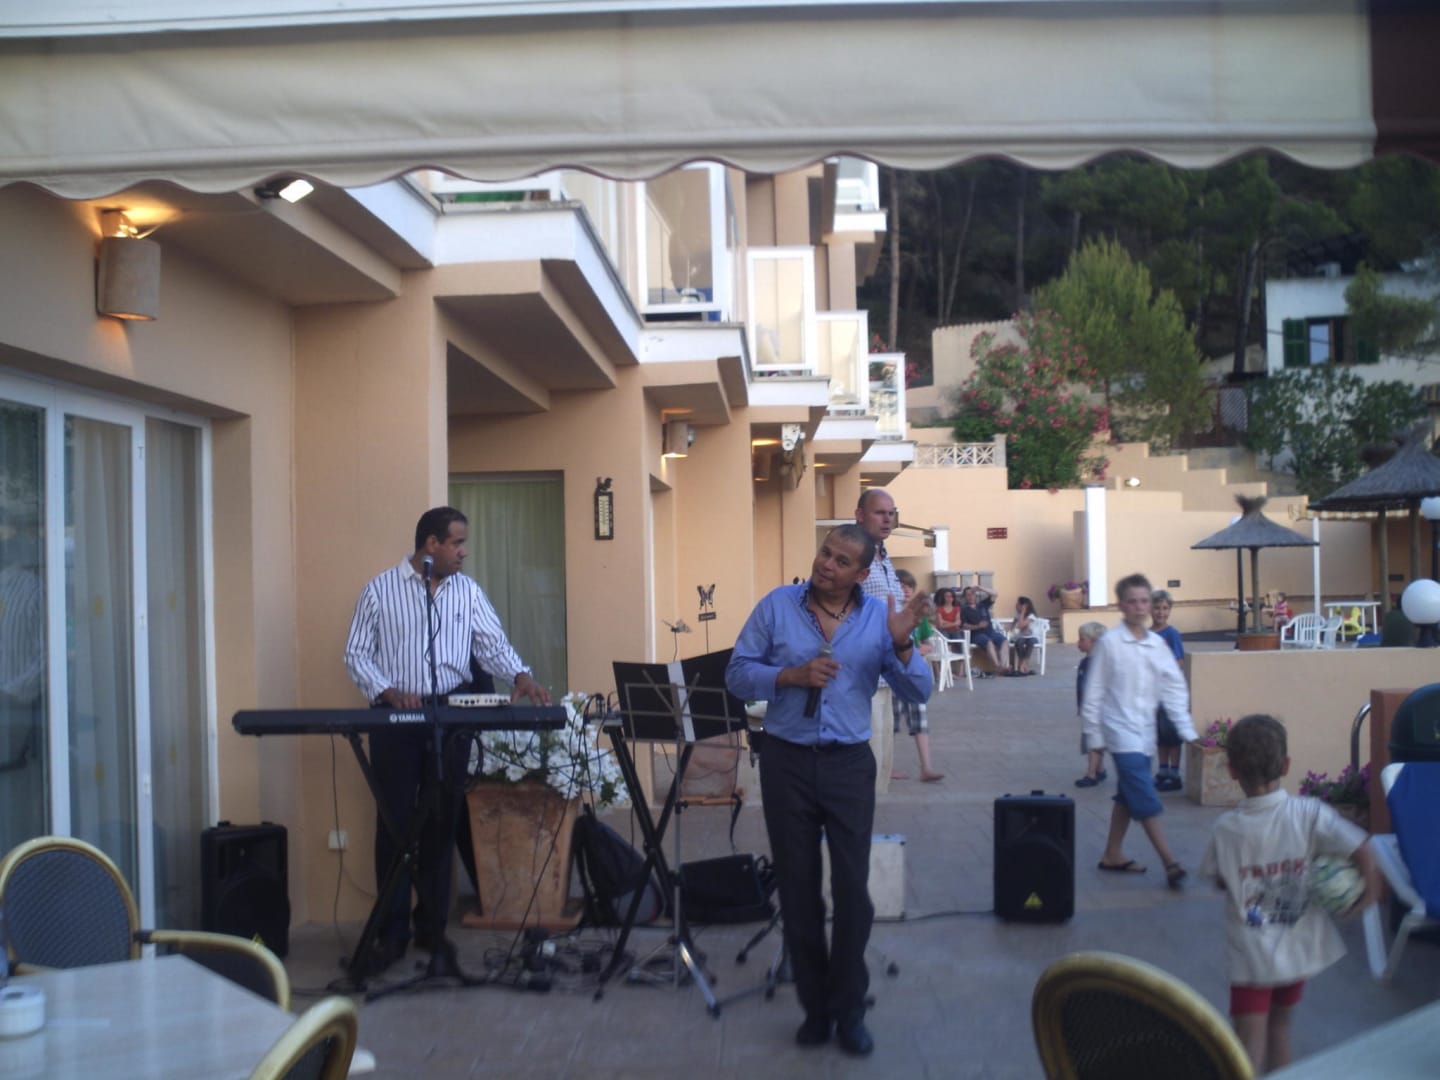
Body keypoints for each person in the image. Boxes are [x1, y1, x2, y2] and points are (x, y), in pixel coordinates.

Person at [726, 524, 933, 1058]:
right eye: (825, 553)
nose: (827, 565)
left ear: (861, 574)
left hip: (848, 766)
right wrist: (789, 677)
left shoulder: (879, 617)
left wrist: (902, 643)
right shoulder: (777, 605)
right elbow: (737, 674)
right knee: (797, 890)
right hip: (786, 762)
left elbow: (920, 691)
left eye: (842, 561)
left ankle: (849, 1008)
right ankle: (815, 1009)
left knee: (852, 891)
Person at [343, 506, 551, 977]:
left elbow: (492, 645)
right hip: (396, 718)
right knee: (395, 825)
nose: (463, 552)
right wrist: (387, 691)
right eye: (456, 543)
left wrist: (521, 676)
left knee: (441, 821)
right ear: (430, 545)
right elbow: (355, 654)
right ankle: (392, 931)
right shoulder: (379, 590)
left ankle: (432, 927)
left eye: (463, 543)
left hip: (451, 717)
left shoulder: (467, 592)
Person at [1199, 714, 1380, 1073]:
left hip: (1252, 959)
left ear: (1232, 770)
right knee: (1280, 1028)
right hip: (1296, 954)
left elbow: (1220, 880)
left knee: (1246, 1047)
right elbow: (1362, 848)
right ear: (1285, 765)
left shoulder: (1226, 829)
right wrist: (1370, 894)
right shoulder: (1309, 814)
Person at [1081, 573, 1196, 889]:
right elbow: (1093, 693)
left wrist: (1187, 730)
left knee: (1127, 794)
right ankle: (1170, 862)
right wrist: (1094, 737)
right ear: (1121, 605)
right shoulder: (1110, 644)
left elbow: (1174, 687)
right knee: (1144, 795)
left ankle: (1112, 853)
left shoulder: (1157, 645)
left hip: (1146, 735)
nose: (1140, 607)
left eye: (1144, 600)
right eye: (1132, 601)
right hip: (1120, 734)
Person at [855, 488, 907, 785]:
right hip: (862, 678)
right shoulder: (854, 558)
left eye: (891, 513)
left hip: (887, 676)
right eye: (879, 513)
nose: (887, 519)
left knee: (882, 764)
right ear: (860, 515)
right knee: (866, 765)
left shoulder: (884, 558)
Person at [892, 569, 943, 782]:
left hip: (912, 677)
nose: (905, 590)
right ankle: (888, 766)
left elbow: (928, 643)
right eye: (901, 585)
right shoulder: (890, 614)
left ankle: (926, 767)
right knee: (890, 723)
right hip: (892, 676)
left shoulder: (918, 617)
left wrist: (921, 649)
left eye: (909, 587)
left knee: (919, 720)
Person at [1150, 589, 1186, 791]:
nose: (1160, 612)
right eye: (1157, 608)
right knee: (1160, 735)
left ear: (1170, 610)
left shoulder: (1171, 634)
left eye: (1164, 608)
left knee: (1172, 735)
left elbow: (1179, 661)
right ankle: (1163, 771)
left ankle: (1174, 774)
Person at [1073, 621, 1109, 788]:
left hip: (1097, 710)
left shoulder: (1099, 664)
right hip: (1087, 709)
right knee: (1093, 740)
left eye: (1082, 639)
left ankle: (1091, 774)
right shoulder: (1085, 662)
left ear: (1094, 642)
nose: (1078, 643)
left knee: (1093, 742)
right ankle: (1100, 769)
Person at [959, 585, 1009, 675]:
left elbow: (995, 594)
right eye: (968, 595)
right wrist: (978, 626)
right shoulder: (964, 609)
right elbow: (963, 625)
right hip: (977, 634)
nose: (971, 596)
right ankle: (998, 667)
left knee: (1004, 641)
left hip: (990, 632)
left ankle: (1003, 666)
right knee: (989, 642)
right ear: (965, 597)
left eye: (972, 594)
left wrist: (980, 588)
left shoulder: (982, 605)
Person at [1009, 595, 1041, 676]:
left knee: (1030, 642)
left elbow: (1020, 625)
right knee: (1018, 642)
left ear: (1024, 606)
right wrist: (1010, 630)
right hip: (1022, 637)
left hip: (1033, 636)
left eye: (1018, 603)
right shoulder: (1018, 614)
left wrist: (1023, 611)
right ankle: (1023, 665)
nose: (1016, 605)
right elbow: (1012, 626)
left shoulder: (1031, 616)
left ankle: (1023, 663)